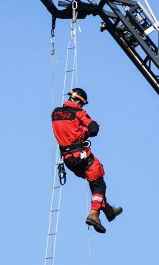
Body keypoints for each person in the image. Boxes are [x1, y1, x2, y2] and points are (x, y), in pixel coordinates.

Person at [51, 87, 122, 233]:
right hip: (82, 155)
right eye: (81, 103)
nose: (81, 106)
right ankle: (94, 214)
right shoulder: (79, 113)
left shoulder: (55, 113)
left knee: (94, 183)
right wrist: (85, 131)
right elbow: (94, 128)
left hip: (68, 160)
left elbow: (66, 130)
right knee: (99, 183)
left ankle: (108, 211)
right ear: (78, 100)